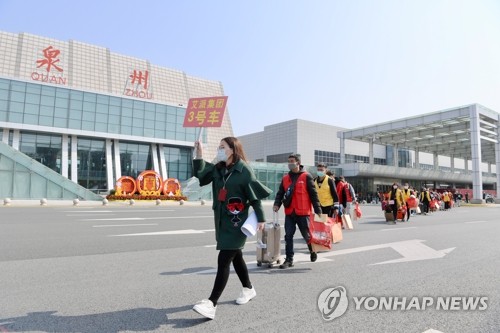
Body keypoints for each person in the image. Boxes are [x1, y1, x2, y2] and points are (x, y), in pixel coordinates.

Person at [192, 137, 272, 320]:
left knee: (224, 260)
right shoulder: (219, 167)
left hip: (238, 223)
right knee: (237, 257)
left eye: (222, 147)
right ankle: (249, 289)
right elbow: (201, 176)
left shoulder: (243, 170)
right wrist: (199, 154)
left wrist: (261, 218)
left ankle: (212, 303)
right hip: (222, 221)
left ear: (233, 150)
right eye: (219, 147)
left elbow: (254, 197)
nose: (219, 150)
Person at [273, 153, 321, 269]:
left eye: (292, 161)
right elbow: (280, 193)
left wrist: (318, 210)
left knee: (307, 235)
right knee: (288, 236)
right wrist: (276, 204)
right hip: (290, 212)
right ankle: (289, 260)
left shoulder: (306, 176)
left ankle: (312, 251)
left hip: (303, 212)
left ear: (298, 163)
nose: (290, 163)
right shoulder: (285, 178)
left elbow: (313, 195)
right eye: (288, 161)